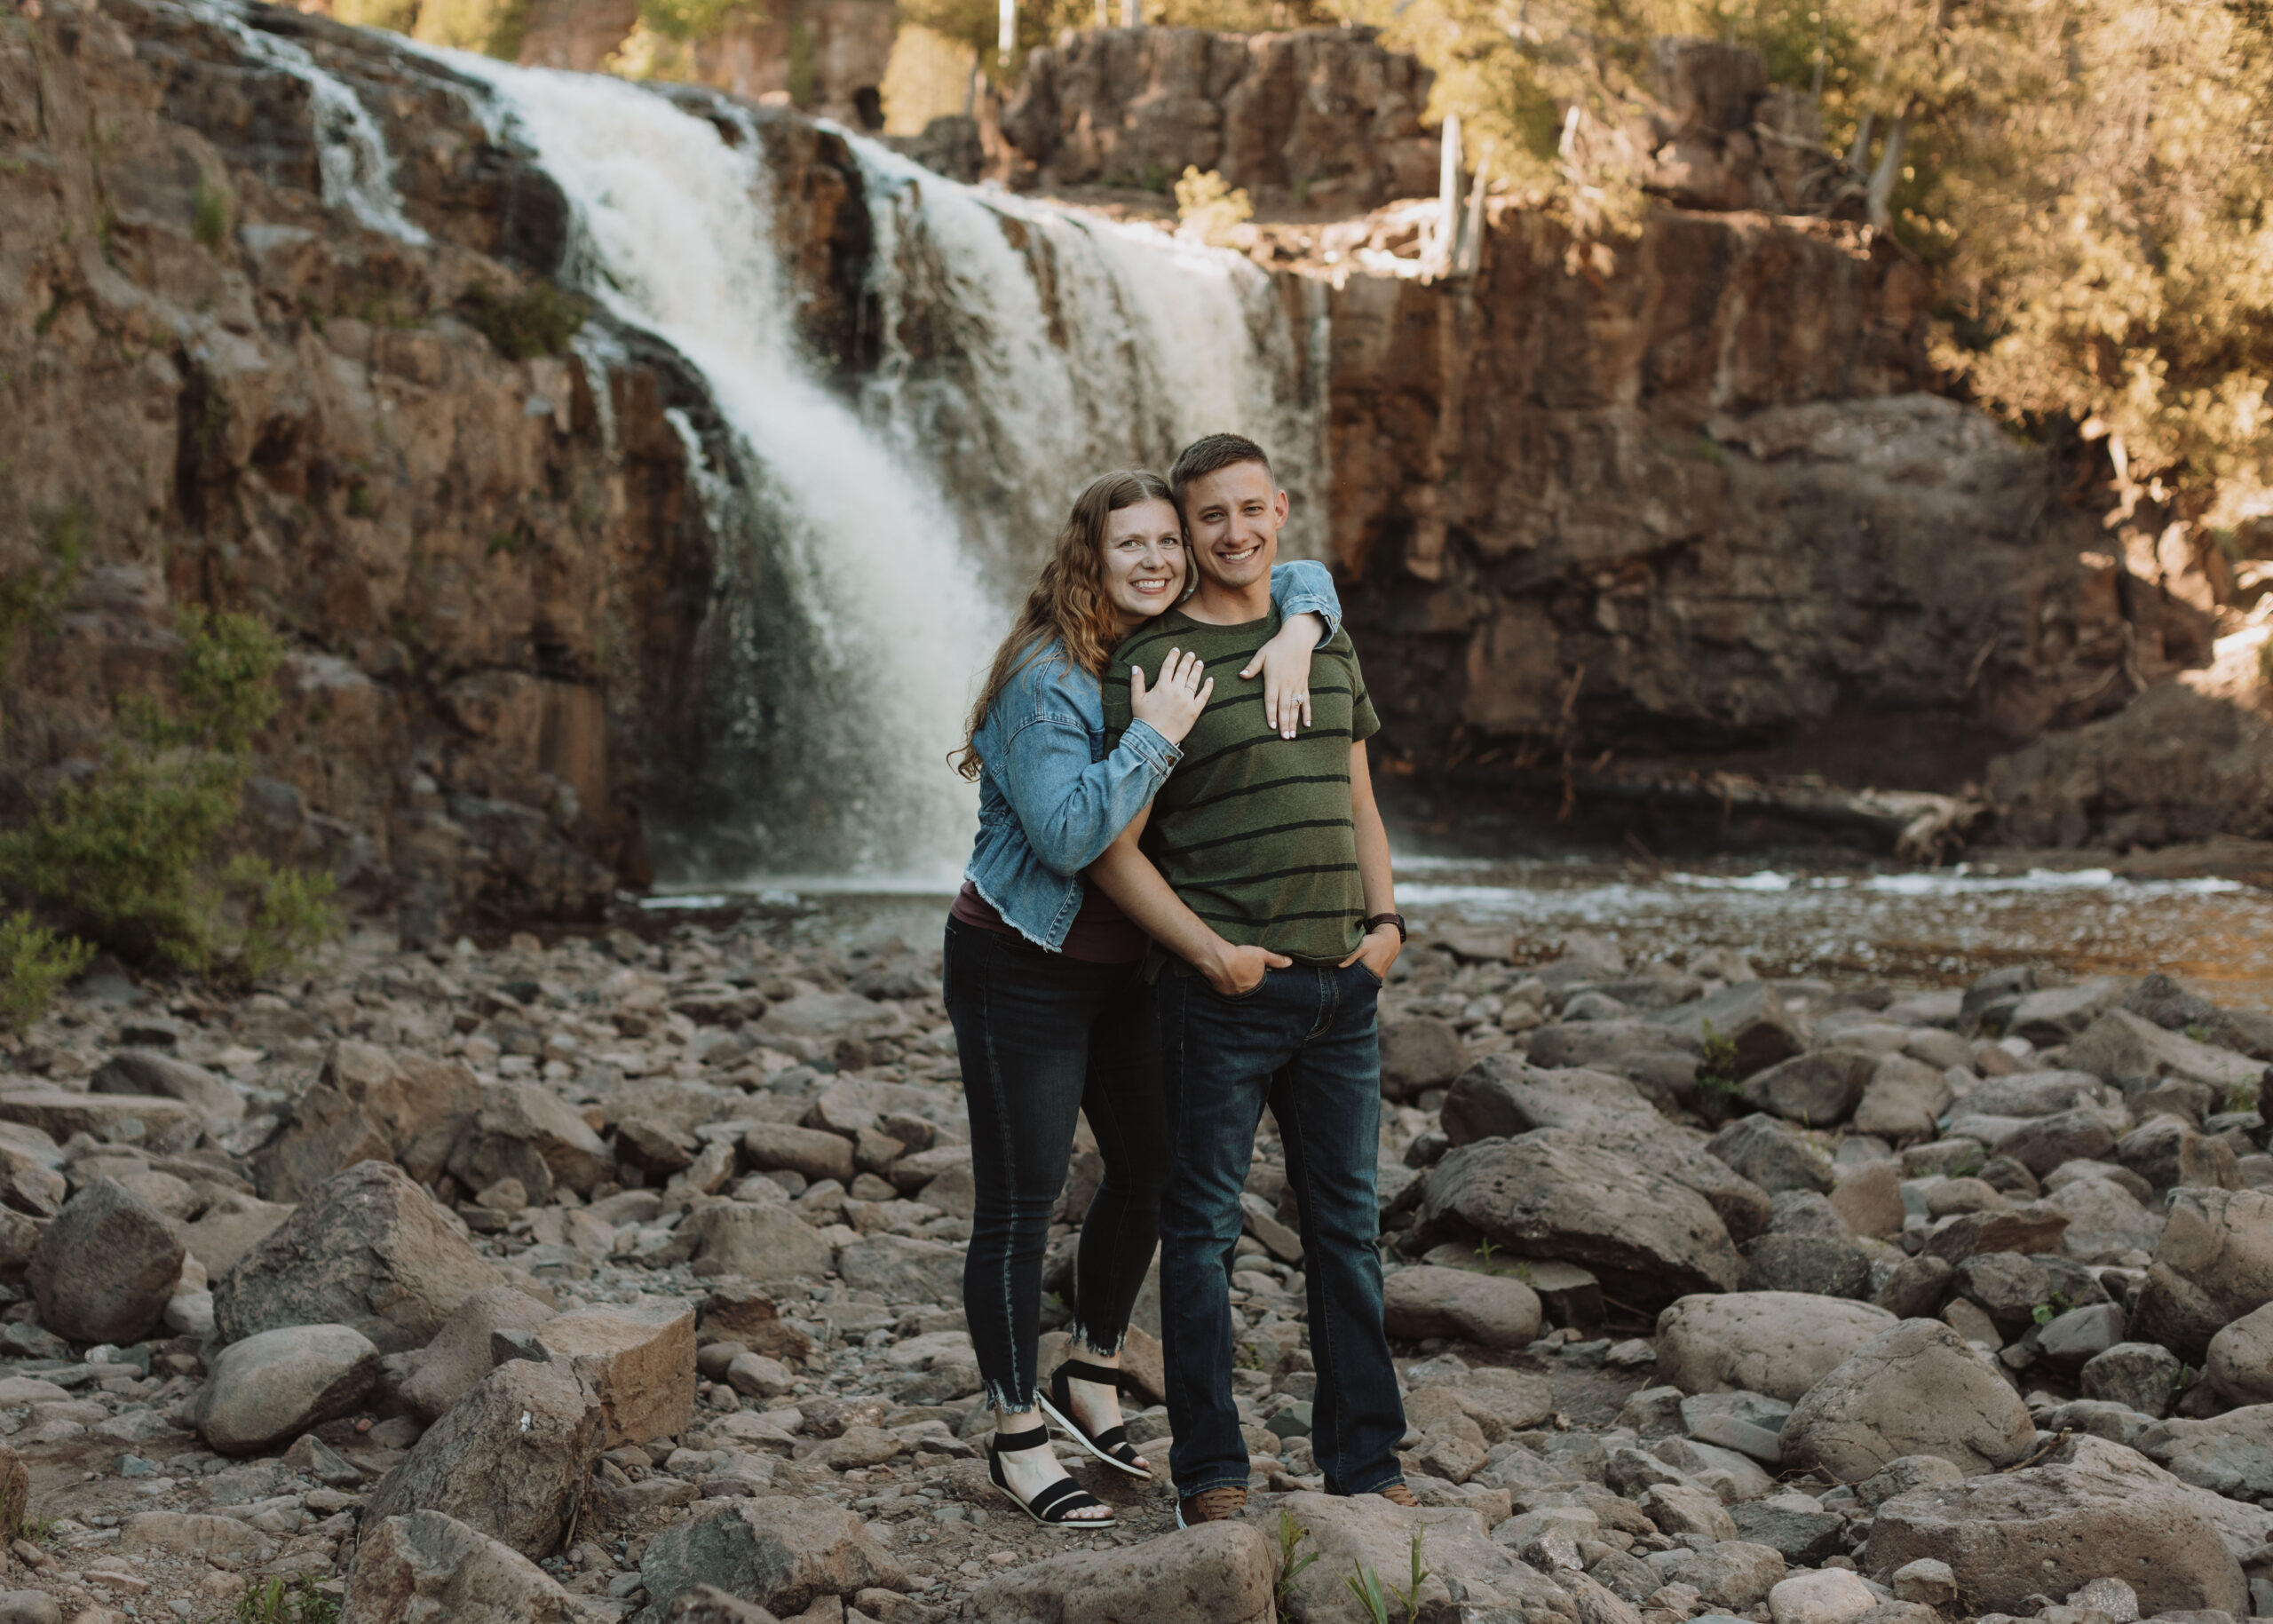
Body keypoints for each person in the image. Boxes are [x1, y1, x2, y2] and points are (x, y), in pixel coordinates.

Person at [944, 467, 1344, 1528]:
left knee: (1153, 1164)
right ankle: (1015, 1431)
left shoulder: (1157, 641)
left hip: (1126, 971)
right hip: (1020, 966)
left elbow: (1296, 568)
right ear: (1091, 555)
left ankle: (1093, 1362)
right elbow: (1071, 836)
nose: (1162, 559)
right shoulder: (1048, 678)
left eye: (1171, 538)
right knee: (1021, 1203)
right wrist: (1158, 729)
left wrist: (1302, 627)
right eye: (1135, 544)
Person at [1089, 432, 1410, 1529]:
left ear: (1279, 507)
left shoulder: (1321, 640)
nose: (1233, 534)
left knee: (1346, 1232)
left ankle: (1366, 1465)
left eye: (1247, 511)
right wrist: (1208, 953)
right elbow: (1116, 845)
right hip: (1220, 998)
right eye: (1207, 520)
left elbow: (1360, 798)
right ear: (1187, 533)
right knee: (1204, 1234)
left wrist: (1386, 926)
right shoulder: (1160, 665)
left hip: (1342, 990)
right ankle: (1210, 1474)